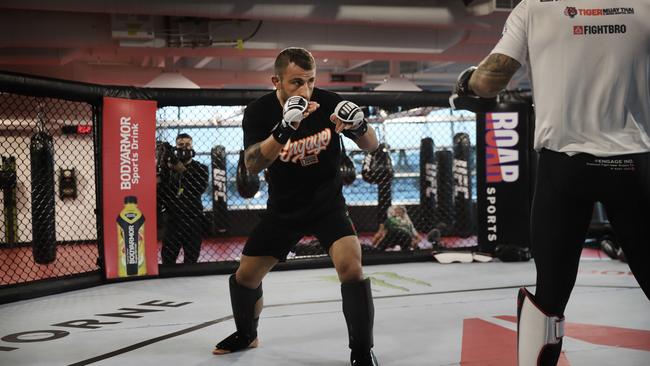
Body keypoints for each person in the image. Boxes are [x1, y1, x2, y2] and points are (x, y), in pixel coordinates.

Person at [451, 1, 649, 365]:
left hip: (564, 167)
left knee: (550, 296)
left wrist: (467, 83)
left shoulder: (533, 8)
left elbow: (490, 80)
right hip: (633, 163)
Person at [211, 47, 380, 366]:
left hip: (327, 204)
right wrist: (283, 129)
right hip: (284, 210)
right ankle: (247, 334)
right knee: (245, 277)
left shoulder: (329, 102)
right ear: (276, 81)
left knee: (352, 267)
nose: (305, 90)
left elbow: (372, 144)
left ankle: (361, 351)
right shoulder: (259, 112)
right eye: (296, 82)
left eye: (311, 81)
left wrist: (359, 125)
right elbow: (252, 164)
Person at [158, 133, 209, 264]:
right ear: (176, 147)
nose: (184, 148)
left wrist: (179, 167)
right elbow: (161, 192)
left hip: (193, 219)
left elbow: (198, 189)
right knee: (168, 259)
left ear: (192, 147)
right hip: (173, 219)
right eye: (181, 145)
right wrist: (164, 166)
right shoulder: (168, 170)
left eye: (188, 145)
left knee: (191, 259)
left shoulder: (202, 168)